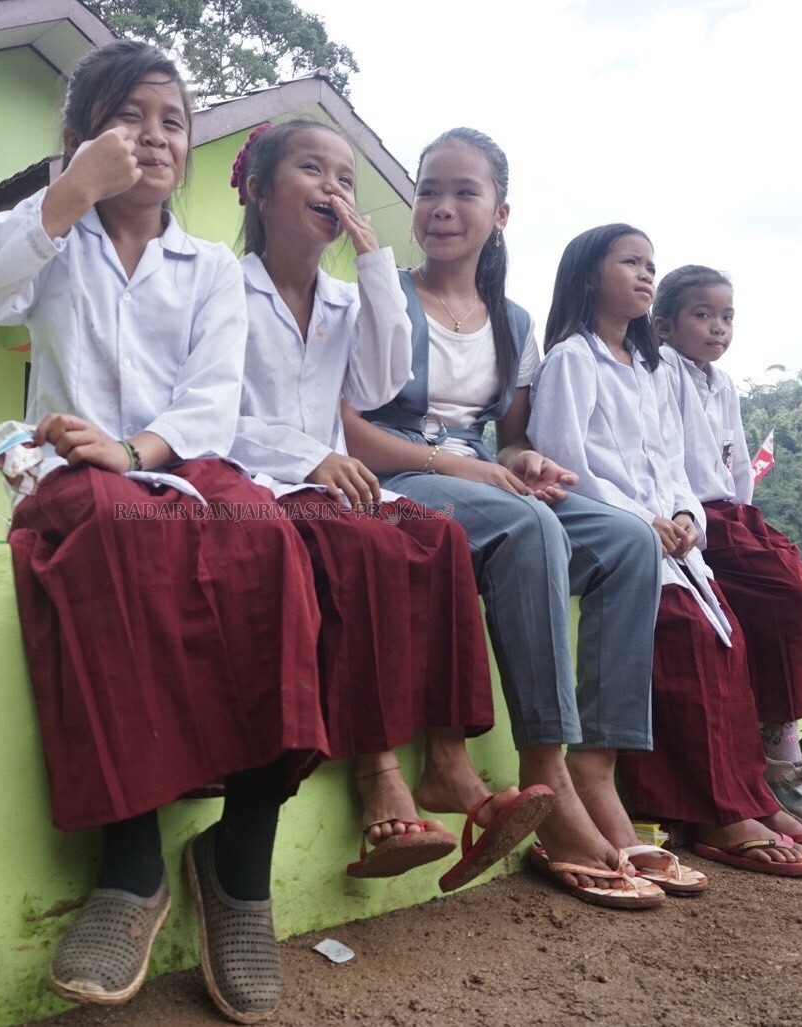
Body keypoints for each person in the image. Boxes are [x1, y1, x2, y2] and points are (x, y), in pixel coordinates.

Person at [0, 40, 327, 1023]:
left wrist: (136, 446)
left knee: (273, 538)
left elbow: (212, 400)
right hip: (79, 488)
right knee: (109, 535)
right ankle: (130, 865)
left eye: (172, 121)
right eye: (128, 118)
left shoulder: (211, 271)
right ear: (77, 140)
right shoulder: (49, 240)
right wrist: (64, 197)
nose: (153, 137)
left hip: (180, 470)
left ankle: (241, 867)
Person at [341, 129, 675, 909]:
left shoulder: (515, 322)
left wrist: (523, 460)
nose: (444, 207)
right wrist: (469, 467)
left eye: (466, 192)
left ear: (501, 212)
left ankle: (596, 769)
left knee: (626, 541)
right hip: (396, 476)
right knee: (528, 529)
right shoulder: (378, 290)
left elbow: (512, 434)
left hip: (481, 480)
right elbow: (345, 426)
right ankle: (545, 775)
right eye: (430, 190)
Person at [227, 119, 551, 887]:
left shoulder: (346, 299)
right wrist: (311, 454)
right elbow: (207, 409)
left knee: (436, 536)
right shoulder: (220, 283)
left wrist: (375, 266)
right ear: (259, 188)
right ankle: (379, 781)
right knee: (367, 547)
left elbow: (373, 389)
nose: (334, 189)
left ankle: (451, 767)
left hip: (329, 484)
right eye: (313, 170)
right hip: (259, 480)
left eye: (345, 177)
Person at [531, 224, 802, 878]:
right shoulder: (573, 358)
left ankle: (752, 796)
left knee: (726, 633)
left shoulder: (648, 368)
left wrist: (682, 514)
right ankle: (711, 810)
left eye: (652, 264)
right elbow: (566, 464)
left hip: (671, 538)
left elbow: (672, 462)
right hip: (611, 533)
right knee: (680, 633)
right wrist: (644, 520)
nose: (647, 275)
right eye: (631, 263)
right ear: (591, 277)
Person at [653, 264, 802, 827]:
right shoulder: (663, 370)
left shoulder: (722, 382)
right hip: (692, 516)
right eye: (701, 315)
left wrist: (749, 518)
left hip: (734, 516)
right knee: (785, 603)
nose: (717, 329)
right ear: (663, 326)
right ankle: (779, 752)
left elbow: (736, 467)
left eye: (727, 317)